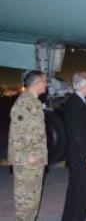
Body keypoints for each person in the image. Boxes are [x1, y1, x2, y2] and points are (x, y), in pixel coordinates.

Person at [8, 70, 48, 221]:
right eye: (45, 81)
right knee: (25, 206)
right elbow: (17, 135)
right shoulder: (25, 103)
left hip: (35, 163)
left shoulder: (34, 102)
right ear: (37, 83)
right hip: (27, 165)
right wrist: (27, 157)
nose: (46, 84)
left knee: (32, 205)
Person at [61, 72, 86, 221]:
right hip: (80, 156)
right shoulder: (76, 103)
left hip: (76, 155)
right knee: (81, 191)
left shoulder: (77, 101)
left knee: (74, 189)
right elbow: (78, 133)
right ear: (83, 86)